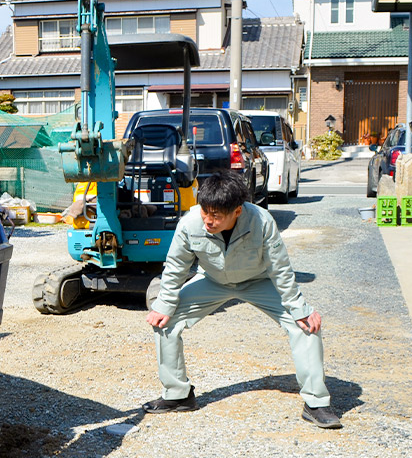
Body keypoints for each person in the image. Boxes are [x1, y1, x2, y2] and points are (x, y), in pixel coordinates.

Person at [144, 169, 341, 429]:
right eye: (205, 211)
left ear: (237, 211)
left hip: (258, 281)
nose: (208, 220)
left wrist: (299, 308)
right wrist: (165, 304)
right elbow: (176, 265)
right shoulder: (190, 223)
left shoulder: (261, 221)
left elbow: (280, 268)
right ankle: (178, 395)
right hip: (213, 281)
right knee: (165, 322)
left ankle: (316, 402)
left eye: (216, 215)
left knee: (306, 324)